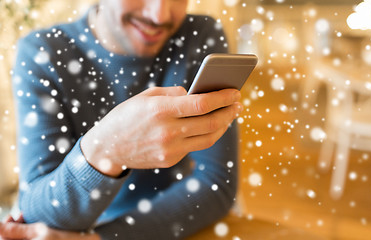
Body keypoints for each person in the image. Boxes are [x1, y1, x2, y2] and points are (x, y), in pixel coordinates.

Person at [0, 0, 243, 239]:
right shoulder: (42, 53)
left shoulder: (198, 36)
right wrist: (105, 150)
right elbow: (36, 216)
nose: (160, 15)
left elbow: (216, 183)